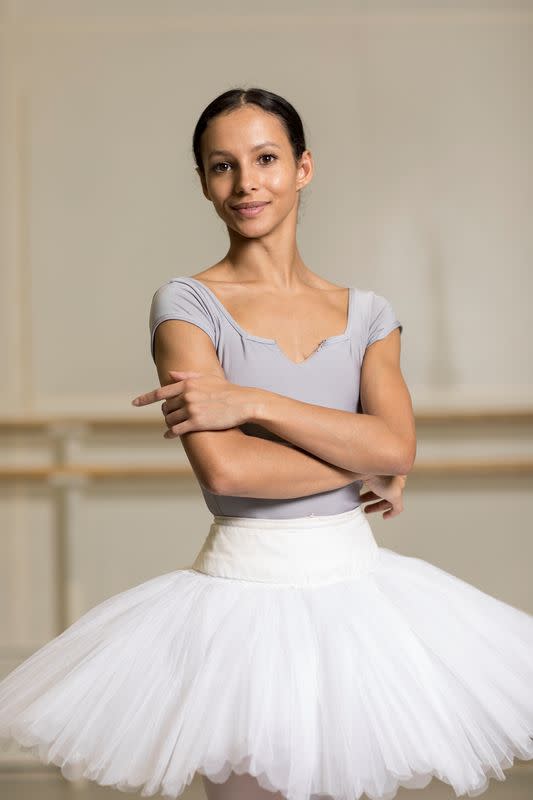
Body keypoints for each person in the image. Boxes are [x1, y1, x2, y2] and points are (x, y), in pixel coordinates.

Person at [0, 87, 532, 800]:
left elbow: (396, 448)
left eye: (266, 158)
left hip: (364, 601)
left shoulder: (369, 314)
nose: (246, 183)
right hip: (241, 610)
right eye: (222, 166)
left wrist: (252, 400)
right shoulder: (186, 304)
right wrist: (359, 452)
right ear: (203, 183)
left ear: (303, 167)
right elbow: (229, 469)